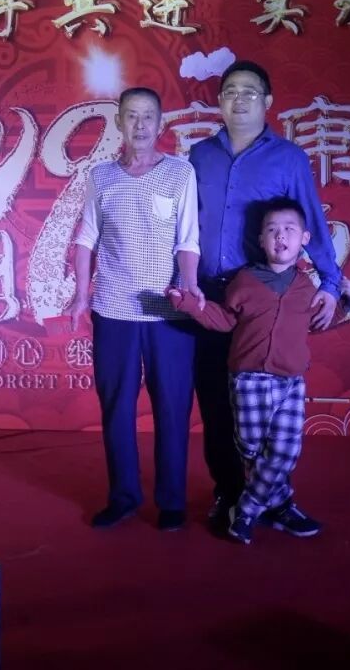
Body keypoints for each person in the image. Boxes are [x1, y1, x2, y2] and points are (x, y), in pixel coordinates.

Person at [188, 60, 343, 526]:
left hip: (260, 298)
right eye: (231, 91)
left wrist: (331, 282)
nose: (240, 100)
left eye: (250, 92)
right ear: (219, 101)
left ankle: (275, 499)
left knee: (270, 413)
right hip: (208, 297)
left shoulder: (289, 158)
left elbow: (310, 221)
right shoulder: (198, 156)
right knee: (217, 403)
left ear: (268, 102)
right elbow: (180, 225)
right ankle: (228, 493)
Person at [169, 197, 346, 544]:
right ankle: (280, 504)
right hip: (248, 380)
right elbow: (224, 320)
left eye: (289, 229)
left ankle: (246, 511)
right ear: (261, 240)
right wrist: (189, 304)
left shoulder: (306, 287)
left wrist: (346, 299)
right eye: (272, 230)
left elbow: (318, 321)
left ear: (304, 239)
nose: (281, 236)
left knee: (284, 452)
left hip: (290, 383)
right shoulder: (245, 281)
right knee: (251, 450)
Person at [68, 87, 200, 532]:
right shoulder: (102, 176)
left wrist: (190, 288)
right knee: (116, 406)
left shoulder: (180, 173)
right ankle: (123, 497)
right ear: (119, 123)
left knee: (173, 406)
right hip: (114, 309)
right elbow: (87, 237)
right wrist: (81, 295)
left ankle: (172, 502)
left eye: (148, 116)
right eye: (131, 116)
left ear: (160, 123)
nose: (140, 125)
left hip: (168, 312)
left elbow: (188, 239)